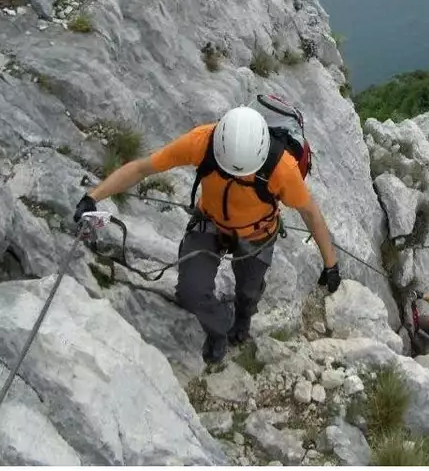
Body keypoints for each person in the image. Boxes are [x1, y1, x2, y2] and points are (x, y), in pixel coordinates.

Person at [73, 105, 341, 364]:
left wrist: (331, 265)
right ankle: (218, 330)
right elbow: (143, 168)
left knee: (248, 292)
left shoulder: (282, 168)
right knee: (191, 291)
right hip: (210, 223)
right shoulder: (201, 142)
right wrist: (92, 197)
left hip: (257, 232)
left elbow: (311, 214)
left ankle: (242, 322)